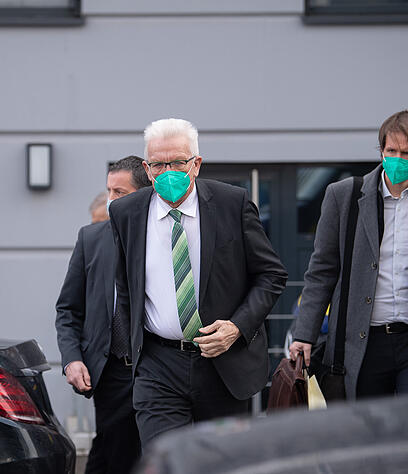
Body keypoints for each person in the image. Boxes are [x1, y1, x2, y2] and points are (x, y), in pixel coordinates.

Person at [110, 118, 288, 445]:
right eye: (158, 164)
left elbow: (271, 275)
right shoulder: (126, 213)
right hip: (157, 364)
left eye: (177, 161)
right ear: (147, 170)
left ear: (196, 163)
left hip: (223, 364)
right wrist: (128, 352)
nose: (168, 172)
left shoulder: (231, 203)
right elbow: (125, 287)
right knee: (164, 461)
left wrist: (236, 327)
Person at [289, 109, 408, 399]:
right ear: (381, 150)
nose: (396, 160)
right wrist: (305, 334)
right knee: (370, 432)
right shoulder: (344, 196)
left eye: (406, 153)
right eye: (391, 151)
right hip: (362, 344)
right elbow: (322, 272)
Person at [55, 155, 149, 474]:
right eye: (109, 191)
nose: (111, 201)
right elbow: (67, 309)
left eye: (120, 193)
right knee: (115, 451)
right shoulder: (91, 239)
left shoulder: (164, 238)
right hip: (114, 373)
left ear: (144, 193)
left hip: (160, 366)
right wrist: (73, 359)